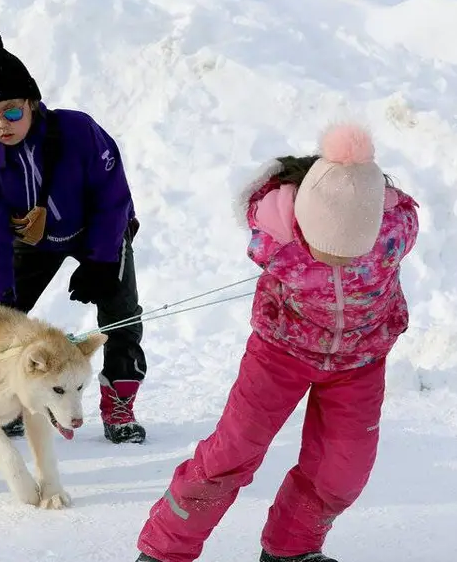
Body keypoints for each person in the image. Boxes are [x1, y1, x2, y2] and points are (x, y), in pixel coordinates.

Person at [134, 123, 420, 562]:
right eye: (324, 249)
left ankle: (292, 550)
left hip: (360, 360)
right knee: (233, 452)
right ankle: (164, 552)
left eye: (349, 252)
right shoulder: (275, 234)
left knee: (344, 471)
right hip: (280, 352)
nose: (336, 259)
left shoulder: (396, 229)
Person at [0, 29, 147, 445]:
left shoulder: (78, 131)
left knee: (121, 317)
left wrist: (102, 261)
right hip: (35, 241)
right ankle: (7, 400)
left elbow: (113, 197)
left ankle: (119, 404)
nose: (2, 125)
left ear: (32, 102)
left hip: (101, 230)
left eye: (11, 112)